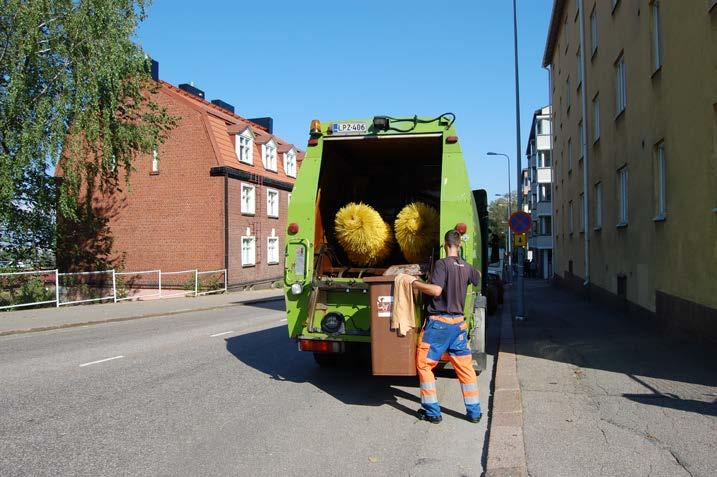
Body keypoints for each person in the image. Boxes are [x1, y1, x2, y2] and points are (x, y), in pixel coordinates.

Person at [410, 229, 482, 424]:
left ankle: (432, 411)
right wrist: (463, 263)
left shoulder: (442, 264)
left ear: (444, 244)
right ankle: (474, 412)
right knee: (465, 369)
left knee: (425, 364)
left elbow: (435, 290)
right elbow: (478, 276)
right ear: (459, 246)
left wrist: (415, 283)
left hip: (439, 325)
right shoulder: (466, 267)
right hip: (458, 326)